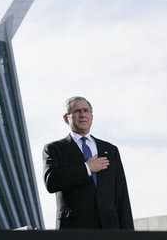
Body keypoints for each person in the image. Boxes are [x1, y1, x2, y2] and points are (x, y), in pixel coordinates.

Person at [42, 96, 134, 229]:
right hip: (74, 228)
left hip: (109, 228)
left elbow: (121, 195)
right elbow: (51, 182)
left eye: (86, 111)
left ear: (92, 117)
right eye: (77, 111)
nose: (82, 115)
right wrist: (86, 168)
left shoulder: (109, 150)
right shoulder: (54, 149)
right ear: (66, 118)